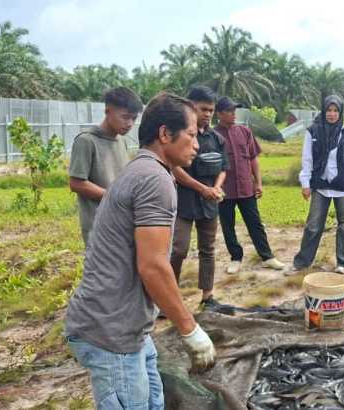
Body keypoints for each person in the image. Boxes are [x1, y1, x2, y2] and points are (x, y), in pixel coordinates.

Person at [65, 92, 214, 409]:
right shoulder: (153, 179)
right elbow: (153, 266)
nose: (197, 145)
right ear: (164, 134)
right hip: (111, 332)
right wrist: (190, 329)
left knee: (153, 402)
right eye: (191, 135)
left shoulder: (142, 169)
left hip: (128, 327)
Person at [170, 86, 229, 307]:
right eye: (203, 109)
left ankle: (207, 296)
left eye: (211, 110)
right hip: (183, 201)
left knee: (208, 249)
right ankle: (169, 298)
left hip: (209, 202)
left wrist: (215, 188)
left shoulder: (217, 139)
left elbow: (224, 167)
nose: (208, 114)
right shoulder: (180, 135)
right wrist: (201, 189)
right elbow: (175, 169)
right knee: (178, 249)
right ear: (191, 106)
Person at [213, 97, 286, 274]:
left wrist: (258, 183)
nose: (233, 114)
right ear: (220, 114)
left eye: (234, 110)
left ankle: (267, 257)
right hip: (225, 190)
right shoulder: (213, 135)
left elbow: (253, 159)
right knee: (228, 225)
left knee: (255, 223)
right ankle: (235, 258)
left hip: (246, 187)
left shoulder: (245, 132)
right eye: (229, 111)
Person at [292, 95, 344, 274]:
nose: (332, 114)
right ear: (323, 111)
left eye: (335, 110)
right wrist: (305, 183)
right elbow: (307, 159)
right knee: (313, 225)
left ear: (340, 112)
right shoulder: (313, 131)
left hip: (343, 186)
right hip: (321, 186)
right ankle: (302, 263)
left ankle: (343, 263)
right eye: (329, 110)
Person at [69, 86, 143, 243]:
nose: (129, 123)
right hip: (98, 226)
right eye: (125, 117)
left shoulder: (121, 141)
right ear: (107, 111)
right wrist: (114, 196)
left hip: (122, 222)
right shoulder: (87, 141)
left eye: (134, 118)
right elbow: (76, 183)